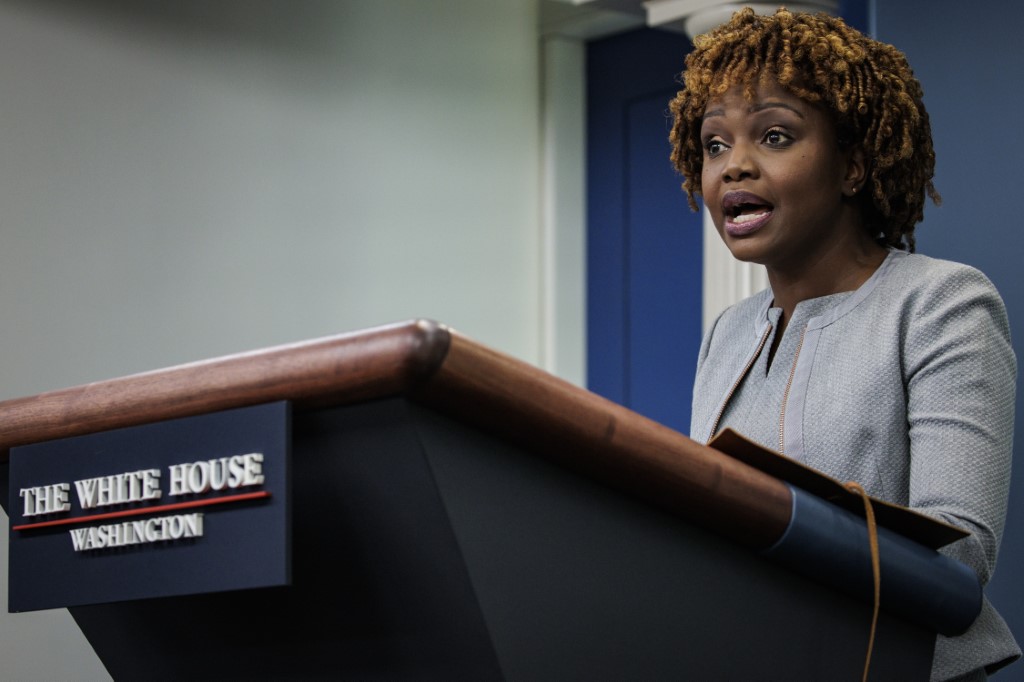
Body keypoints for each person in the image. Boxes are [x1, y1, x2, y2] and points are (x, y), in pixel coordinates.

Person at [668, 8, 1018, 681]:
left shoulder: (943, 303)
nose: (734, 166)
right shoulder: (729, 331)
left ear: (854, 165)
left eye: (774, 135)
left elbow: (959, 555)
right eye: (714, 145)